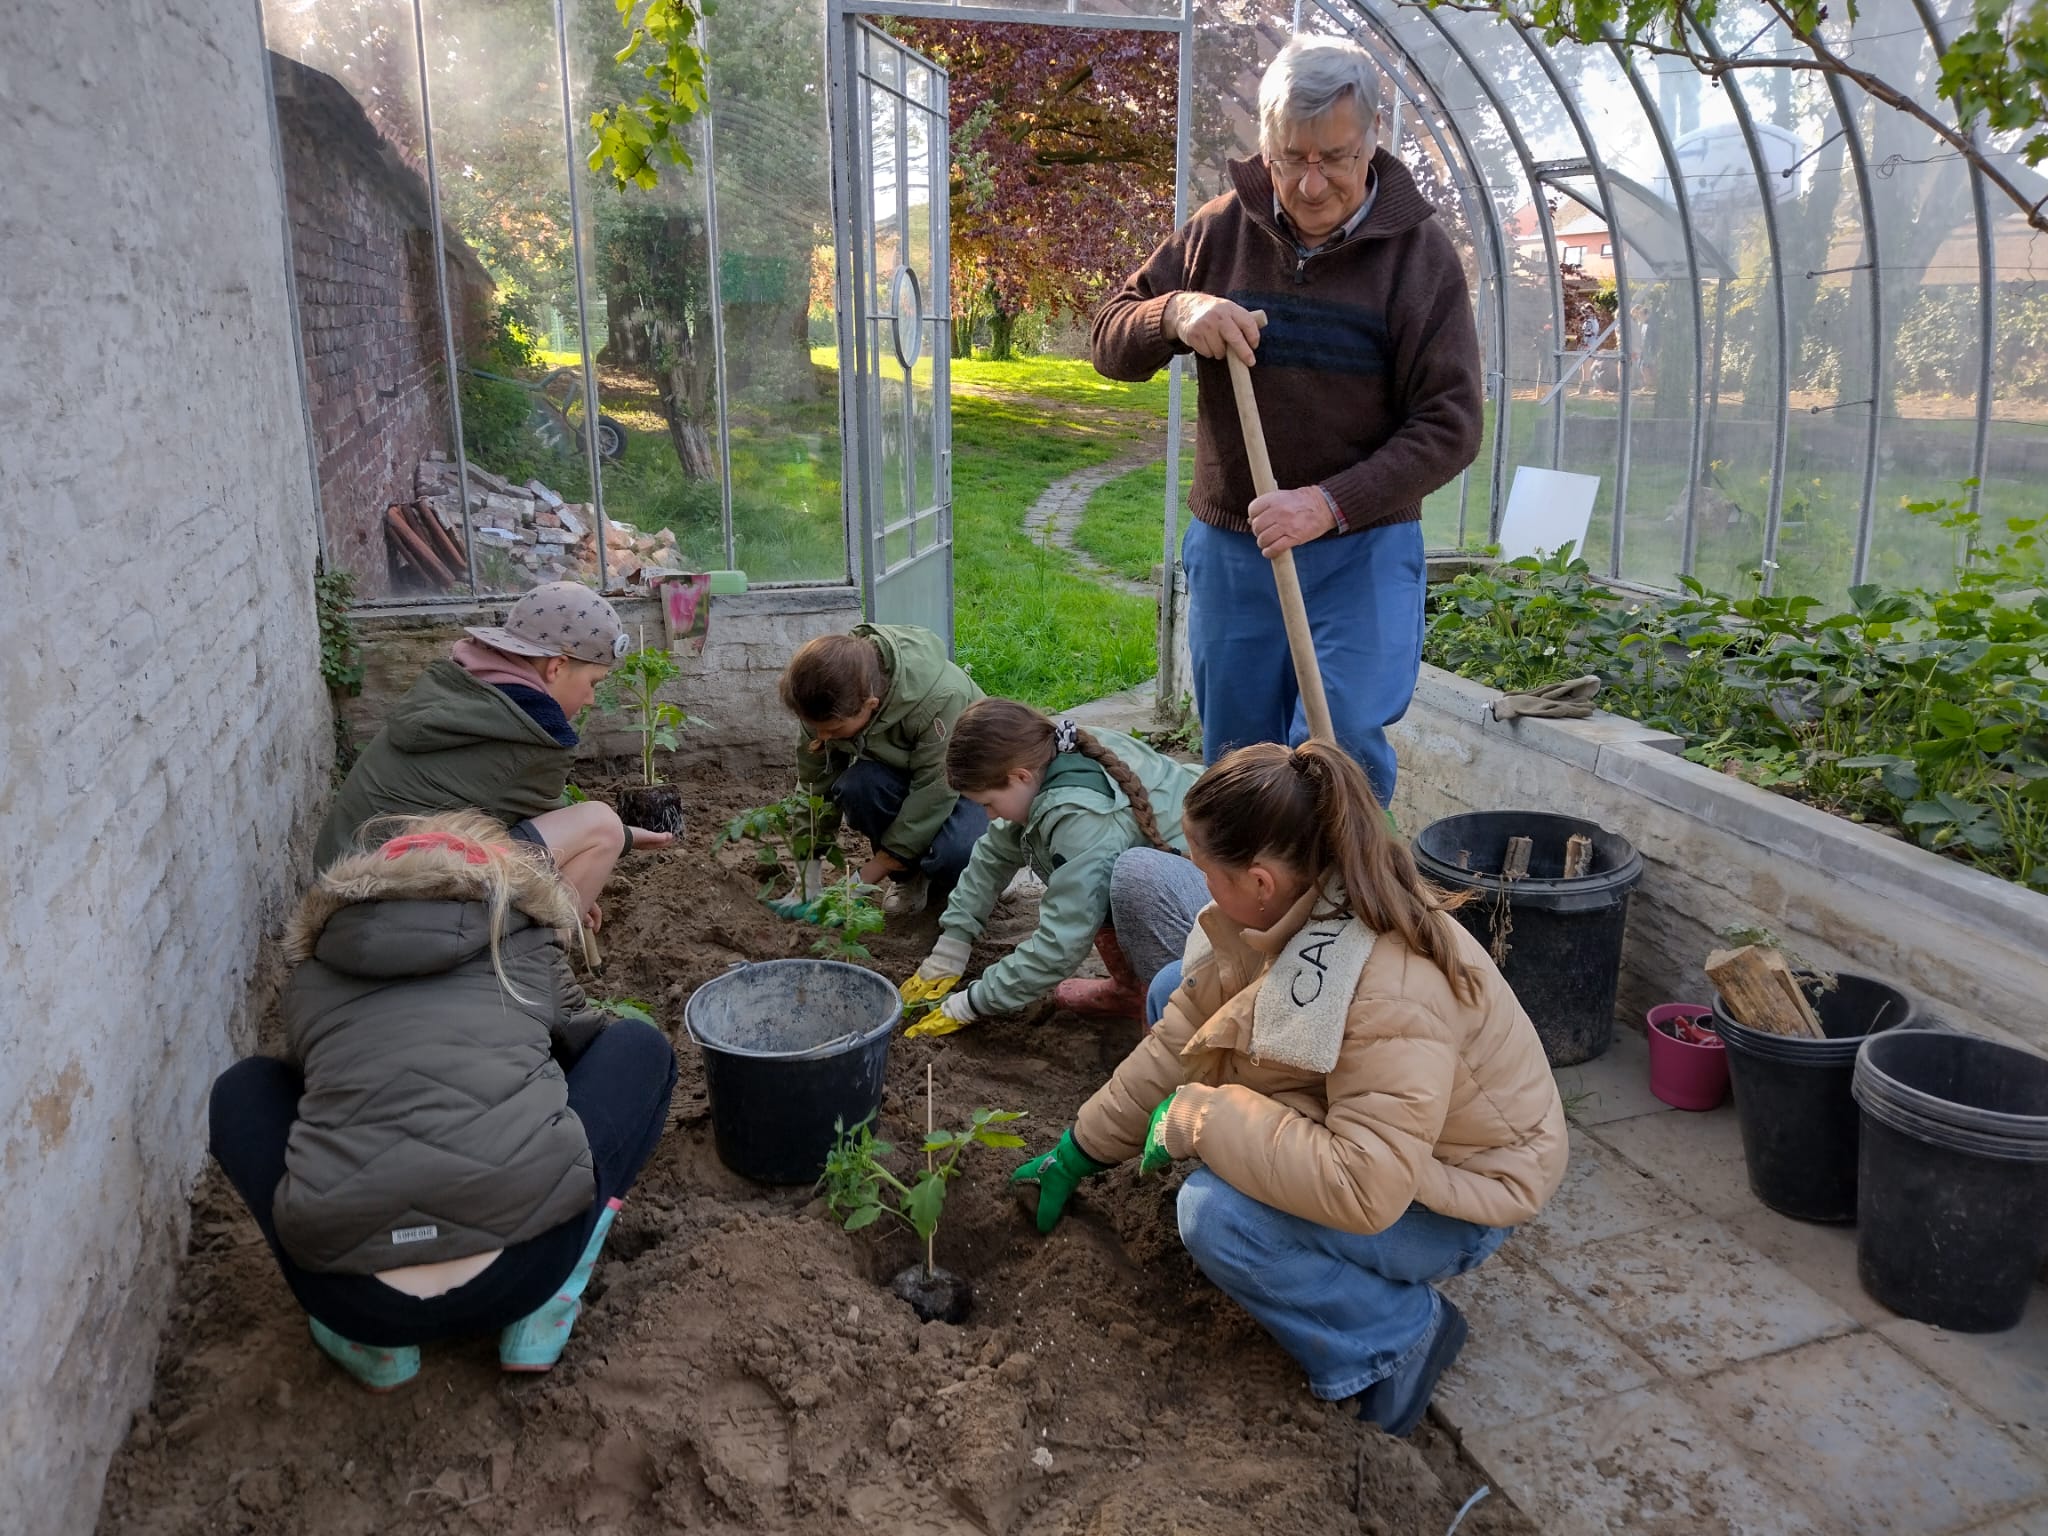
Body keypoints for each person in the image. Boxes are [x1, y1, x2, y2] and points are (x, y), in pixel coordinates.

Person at [1011, 741, 1566, 1434]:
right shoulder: (1297, 906)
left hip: (1456, 1196)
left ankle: (1399, 1334)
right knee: (1167, 994)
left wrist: (1202, 1121)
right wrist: (1079, 1148)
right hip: (1391, 1143)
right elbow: (1184, 1032)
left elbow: (1368, 1186)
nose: (1197, 879)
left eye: (1205, 868)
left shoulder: (1390, 986)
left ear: (1262, 880)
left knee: (1216, 1215)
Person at [1091, 35, 1482, 805]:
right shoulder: (1218, 230)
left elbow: (1451, 422)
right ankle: (1247, 912)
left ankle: (1341, 910)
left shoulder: (1418, 258)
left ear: (1371, 139)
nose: (1308, 184)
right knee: (1238, 756)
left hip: (1360, 550)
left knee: (1340, 751)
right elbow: (1109, 336)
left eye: (1332, 158)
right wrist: (1177, 311)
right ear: (1265, 146)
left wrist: (1327, 504)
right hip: (1236, 545)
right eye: (1289, 157)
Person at [207, 813, 678, 1389]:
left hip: (351, 1295)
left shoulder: (312, 976)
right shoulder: (523, 943)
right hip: (527, 1265)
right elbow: (586, 1046)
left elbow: (311, 1082)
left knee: (243, 1089)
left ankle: (374, 1347)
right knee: (639, 1047)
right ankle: (547, 1306)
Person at [313, 581, 674, 922]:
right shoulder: (534, 734)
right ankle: (542, 963)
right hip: (393, 899)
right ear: (557, 667)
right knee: (601, 826)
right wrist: (619, 841)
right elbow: (561, 839)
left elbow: (513, 816)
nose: (591, 698)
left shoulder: (461, 686)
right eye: (592, 683)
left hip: (342, 879)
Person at [900, 700, 1209, 1033]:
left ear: (1019, 776)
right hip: (1182, 874)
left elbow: (1062, 943)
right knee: (1086, 877)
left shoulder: (1080, 817)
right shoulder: (1048, 754)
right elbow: (994, 852)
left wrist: (973, 1002)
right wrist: (953, 942)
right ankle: (1130, 988)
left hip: (1209, 902)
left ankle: (1168, 1001)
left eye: (988, 803)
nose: (989, 815)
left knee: (1117, 882)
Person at [779, 624, 988, 918]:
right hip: (909, 776)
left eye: (834, 730)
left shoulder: (940, 698)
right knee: (858, 786)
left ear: (870, 705)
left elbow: (936, 790)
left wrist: (861, 880)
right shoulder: (822, 703)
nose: (823, 737)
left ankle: (983, 878)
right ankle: (909, 878)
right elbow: (815, 784)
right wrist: (807, 876)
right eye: (817, 729)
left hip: (973, 785)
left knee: (954, 855)